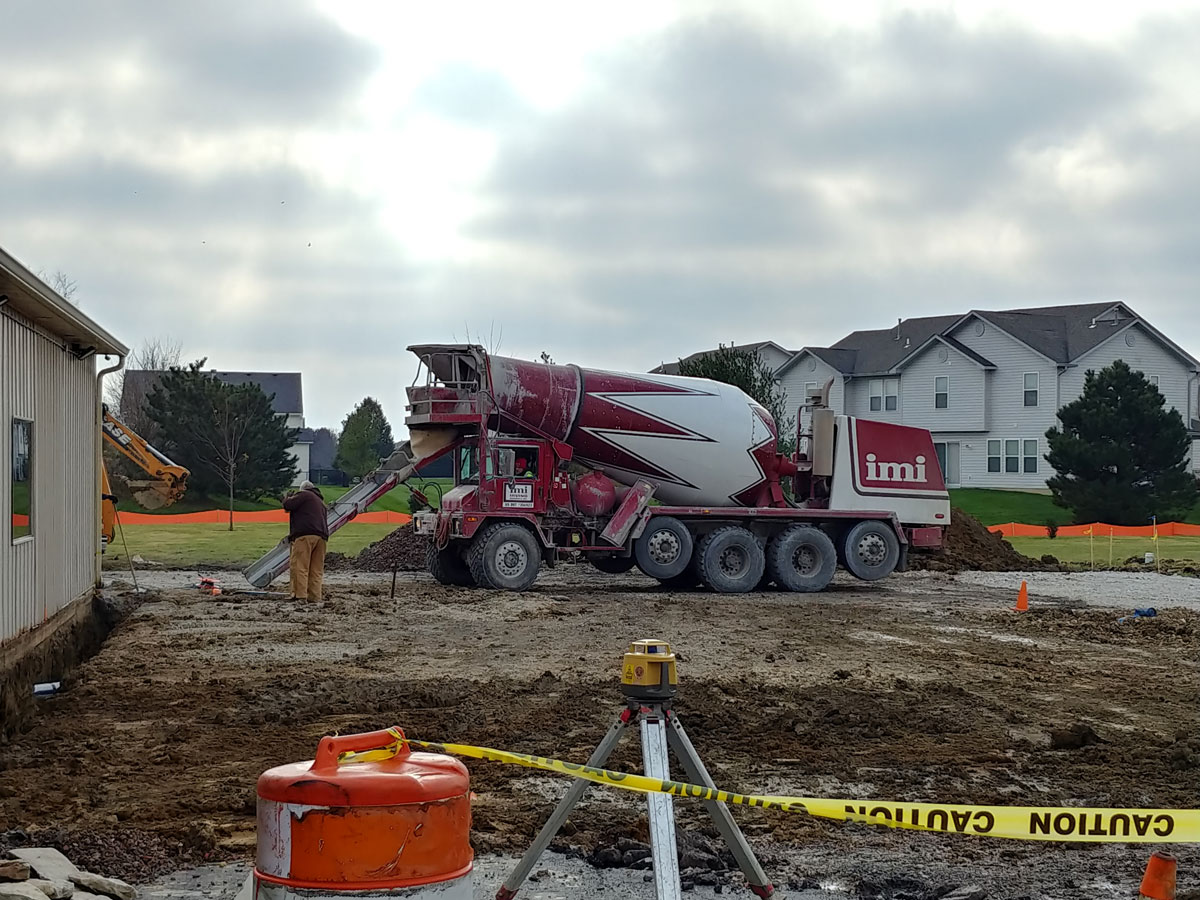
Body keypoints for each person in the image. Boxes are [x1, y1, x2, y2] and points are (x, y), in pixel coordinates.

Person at [283, 480, 329, 602]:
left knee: (299, 566)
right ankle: (314, 596)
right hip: (321, 538)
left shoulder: (304, 495)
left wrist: (287, 498)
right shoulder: (321, 502)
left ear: (303, 489)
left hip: (305, 535)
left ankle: (300, 596)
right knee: (316, 569)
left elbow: (288, 505)